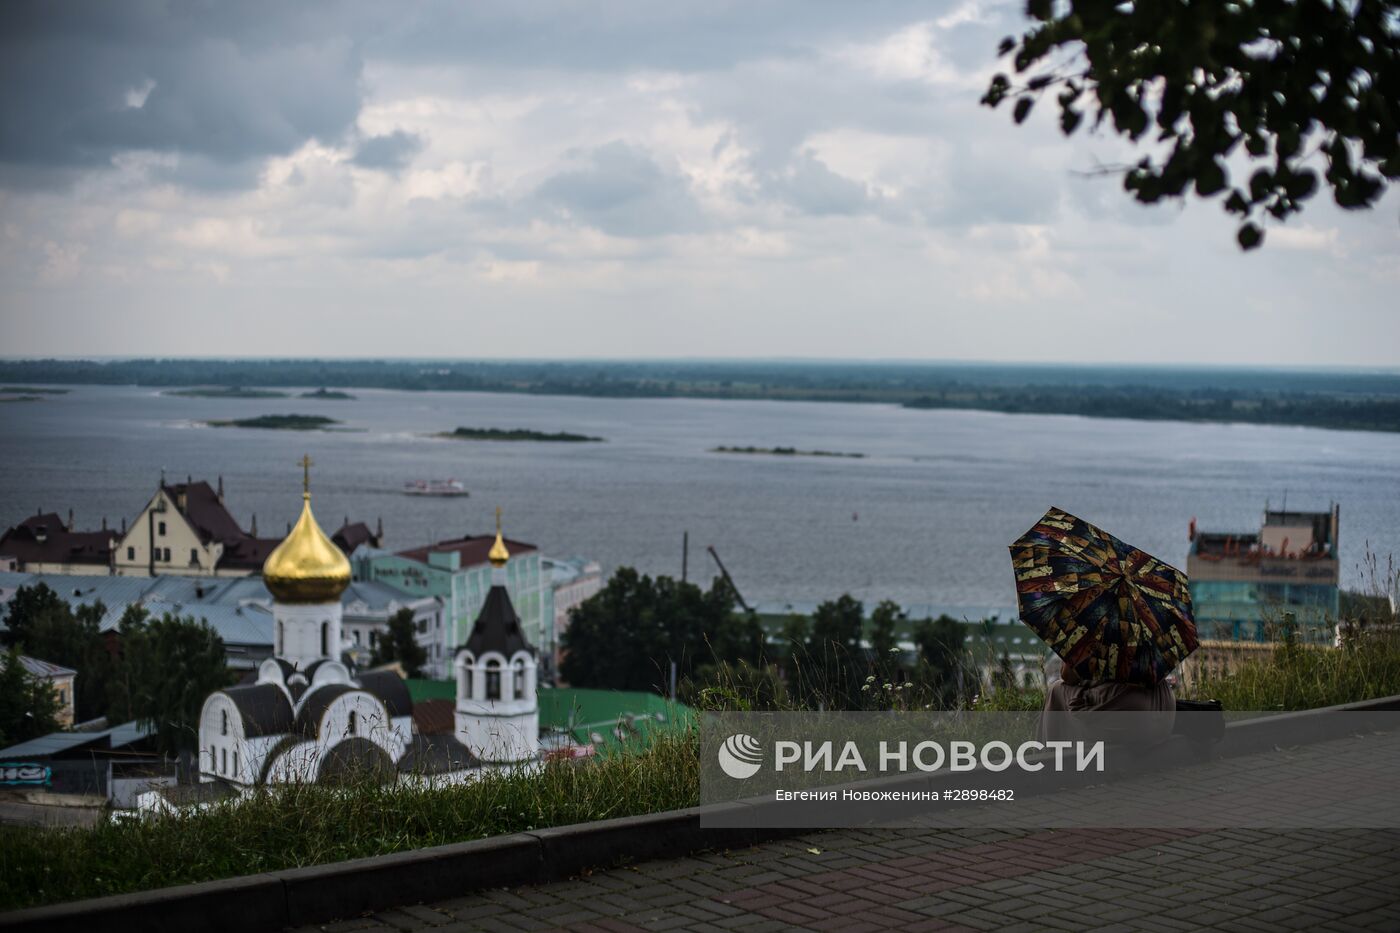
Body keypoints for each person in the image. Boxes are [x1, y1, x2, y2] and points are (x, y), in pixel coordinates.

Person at [1037, 655, 1175, 745]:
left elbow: (1068, 676)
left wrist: (1070, 649)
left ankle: (1049, 758)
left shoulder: (1095, 629)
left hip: (1134, 725)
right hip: (1162, 719)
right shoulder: (1147, 629)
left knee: (1056, 690)